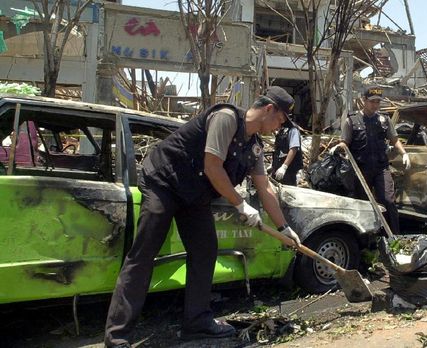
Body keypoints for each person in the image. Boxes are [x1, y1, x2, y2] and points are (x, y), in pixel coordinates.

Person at [104, 86, 302, 348]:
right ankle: (117, 337)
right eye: (279, 120)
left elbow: (264, 187)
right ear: (268, 109)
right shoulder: (226, 118)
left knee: (205, 250)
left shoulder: (254, 146)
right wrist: (241, 205)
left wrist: (284, 227)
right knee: (143, 254)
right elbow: (212, 166)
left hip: (194, 196)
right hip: (164, 183)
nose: (279, 128)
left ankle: (196, 323)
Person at [331, 86, 411, 234]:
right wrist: (338, 147)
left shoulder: (384, 120)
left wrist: (404, 153)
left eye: (377, 102)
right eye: (372, 101)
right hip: (361, 170)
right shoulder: (351, 120)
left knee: (388, 200)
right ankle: (365, 239)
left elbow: (394, 139)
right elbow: (345, 142)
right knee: (362, 204)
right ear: (363, 101)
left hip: (381, 168)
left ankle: (394, 237)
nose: (375, 105)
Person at [272, 121, 303, 186]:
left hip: (289, 170)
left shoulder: (293, 130)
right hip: (278, 168)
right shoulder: (281, 131)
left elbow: (294, 148)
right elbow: (279, 150)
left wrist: (284, 167)